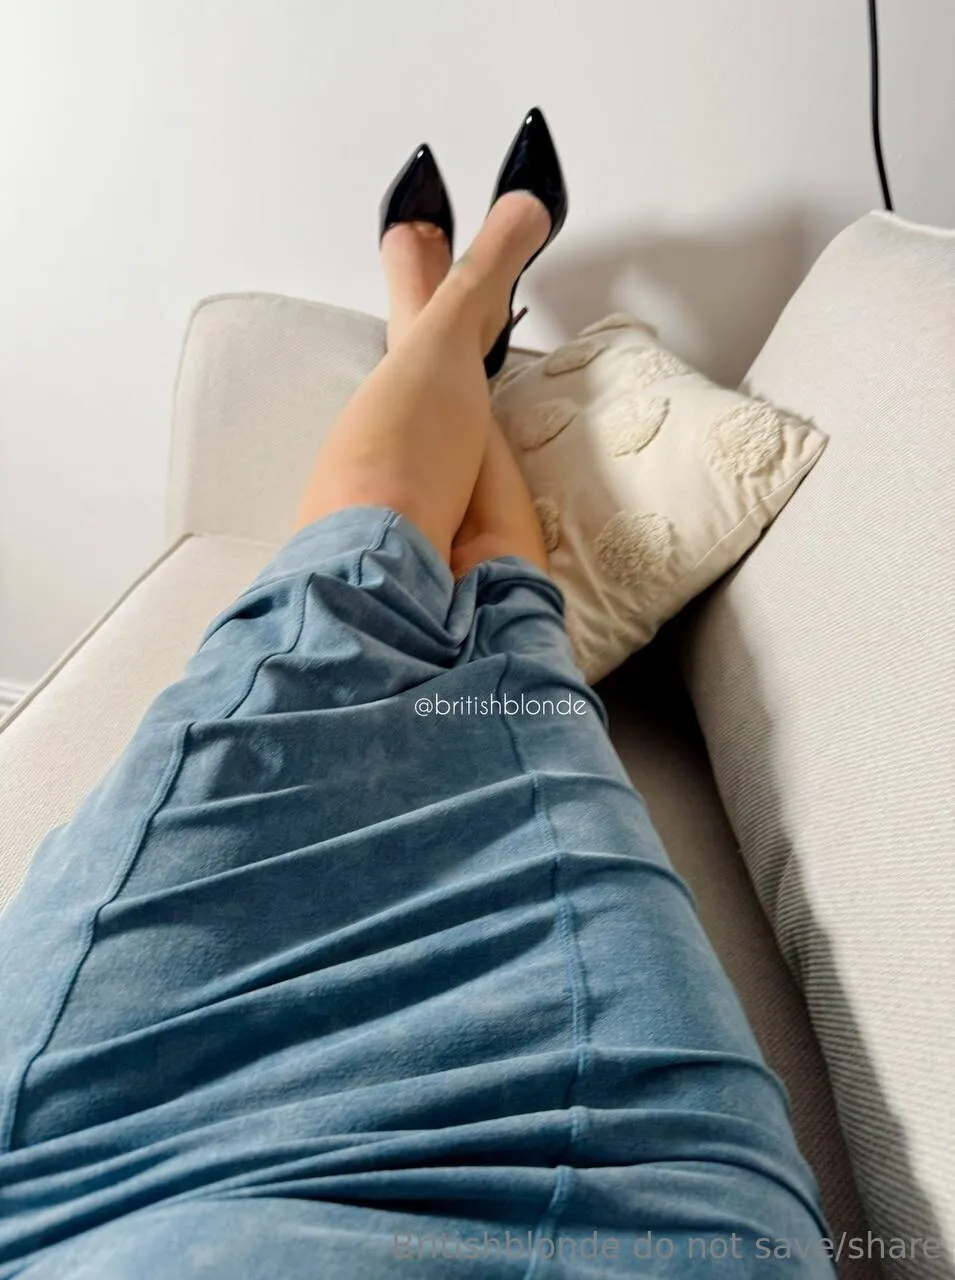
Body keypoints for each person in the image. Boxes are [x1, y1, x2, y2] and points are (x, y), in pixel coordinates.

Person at [0, 109, 835, 1278]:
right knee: (520, 653)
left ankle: (444, 303)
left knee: (341, 599)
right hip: (618, 1189)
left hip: (80, 1140)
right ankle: (469, 294)